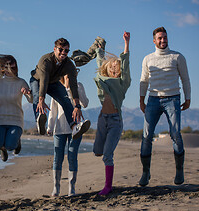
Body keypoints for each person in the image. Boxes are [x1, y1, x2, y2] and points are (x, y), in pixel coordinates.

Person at [139, 27, 191, 186]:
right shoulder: (148, 59)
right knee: (147, 135)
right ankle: (145, 173)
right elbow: (144, 80)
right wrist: (141, 100)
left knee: (175, 133)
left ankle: (179, 171)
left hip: (173, 99)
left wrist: (187, 98)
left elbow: (185, 79)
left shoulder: (177, 57)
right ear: (154, 41)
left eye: (165, 37)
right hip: (153, 99)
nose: (163, 40)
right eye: (160, 38)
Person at [93, 32, 131, 195]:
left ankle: (108, 186)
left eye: (117, 66)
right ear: (107, 69)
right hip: (102, 119)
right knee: (97, 151)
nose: (115, 68)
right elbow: (101, 62)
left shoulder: (122, 84)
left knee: (107, 155)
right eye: (112, 66)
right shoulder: (102, 80)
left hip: (115, 121)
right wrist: (100, 50)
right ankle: (104, 153)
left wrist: (126, 44)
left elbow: (125, 66)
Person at [30, 38, 91, 139]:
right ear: (55, 49)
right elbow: (44, 81)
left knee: (65, 100)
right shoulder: (46, 60)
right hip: (38, 80)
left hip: (53, 82)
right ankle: (39, 118)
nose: (63, 53)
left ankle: (75, 127)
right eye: (61, 50)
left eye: (66, 50)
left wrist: (77, 106)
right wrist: (42, 100)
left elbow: (73, 85)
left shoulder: (69, 65)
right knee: (37, 96)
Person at [0, 53, 32, 161]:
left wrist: (27, 94)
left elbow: (31, 100)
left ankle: (17, 142)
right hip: (0, 120)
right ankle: (2, 149)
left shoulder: (21, 82)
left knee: (10, 146)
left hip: (16, 120)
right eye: (8, 66)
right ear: (3, 67)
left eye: (13, 66)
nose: (11, 69)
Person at [47, 74, 89, 197]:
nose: (69, 75)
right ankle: (56, 188)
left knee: (72, 157)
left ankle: (72, 188)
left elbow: (85, 103)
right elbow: (53, 110)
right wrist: (49, 127)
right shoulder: (56, 88)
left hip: (76, 129)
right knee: (58, 158)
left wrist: (74, 89)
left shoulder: (79, 86)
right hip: (59, 129)